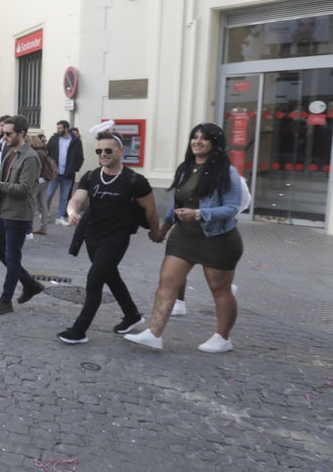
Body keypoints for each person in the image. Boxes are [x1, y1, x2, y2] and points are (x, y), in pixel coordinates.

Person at [126, 123, 246, 353]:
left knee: (220, 289)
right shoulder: (186, 168)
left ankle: (223, 337)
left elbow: (232, 207)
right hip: (184, 237)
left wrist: (200, 214)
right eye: (194, 137)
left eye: (204, 138)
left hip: (218, 239)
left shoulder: (227, 172)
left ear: (215, 144)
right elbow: (177, 204)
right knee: (167, 282)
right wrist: (163, 229)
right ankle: (154, 333)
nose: (197, 141)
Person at [56, 129, 160, 344]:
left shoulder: (134, 180)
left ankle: (79, 330)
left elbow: (150, 210)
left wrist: (156, 231)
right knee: (110, 276)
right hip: (92, 237)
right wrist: (72, 212)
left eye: (108, 150)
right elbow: (76, 199)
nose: (103, 154)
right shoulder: (92, 176)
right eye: (99, 150)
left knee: (95, 280)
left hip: (116, 238)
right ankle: (131, 315)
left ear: (121, 150)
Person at [0, 115, 44, 315]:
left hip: (19, 214)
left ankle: (6, 300)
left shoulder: (30, 157)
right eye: (2, 133)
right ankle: (30, 283)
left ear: (21, 134)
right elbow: (4, 177)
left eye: (8, 133)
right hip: (4, 210)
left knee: (12, 256)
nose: (4, 136)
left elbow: (24, 189)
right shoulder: (10, 152)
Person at [46, 120, 85, 226]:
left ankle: (60, 217)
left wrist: (74, 169)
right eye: (57, 128)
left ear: (66, 129)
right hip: (55, 173)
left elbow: (80, 157)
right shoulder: (54, 139)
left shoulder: (75, 141)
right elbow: (47, 153)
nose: (58, 130)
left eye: (60, 128)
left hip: (68, 174)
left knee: (64, 196)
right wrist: (49, 167)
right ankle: (45, 214)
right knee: (49, 194)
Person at [29, 133, 54, 234]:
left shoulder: (35, 153)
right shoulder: (43, 151)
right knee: (43, 204)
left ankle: (28, 228)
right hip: (45, 180)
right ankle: (44, 227)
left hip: (37, 181)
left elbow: (36, 169)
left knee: (30, 204)